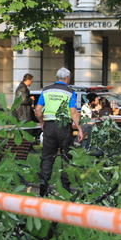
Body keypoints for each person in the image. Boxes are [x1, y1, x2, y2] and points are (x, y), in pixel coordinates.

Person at [34, 68, 83, 196]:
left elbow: (38, 110)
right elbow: (73, 112)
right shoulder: (70, 92)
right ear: (67, 78)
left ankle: (44, 183)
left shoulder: (46, 90)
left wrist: (42, 123)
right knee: (66, 156)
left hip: (49, 127)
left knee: (47, 156)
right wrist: (80, 129)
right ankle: (65, 186)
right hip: (64, 127)